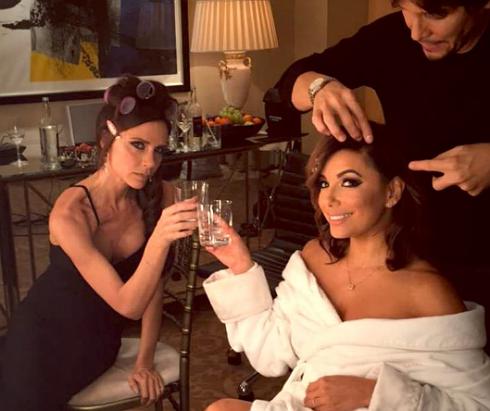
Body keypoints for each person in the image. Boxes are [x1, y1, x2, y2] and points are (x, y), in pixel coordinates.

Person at [202, 123, 490, 411]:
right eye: (324, 183)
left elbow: (477, 403)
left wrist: (375, 394)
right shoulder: (314, 258)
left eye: (349, 182)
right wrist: (240, 265)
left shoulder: (426, 291)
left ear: (392, 192)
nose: (328, 199)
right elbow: (271, 355)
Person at [276, 0, 490, 348]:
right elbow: (290, 81)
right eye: (407, 9)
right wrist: (319, 87)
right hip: (411, 246)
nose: (416, 32)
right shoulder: (392, 38)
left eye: (435, 14)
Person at [0, 75, 198, 410]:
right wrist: (160, 238)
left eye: (159, 151)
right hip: (40, 335)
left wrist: (144, 360)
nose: (150, 163)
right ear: (107, 138)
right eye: (138, 145)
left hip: (96, 345)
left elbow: (153, 288)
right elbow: (128, 304)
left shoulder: (163, 196)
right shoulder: (70, 212)